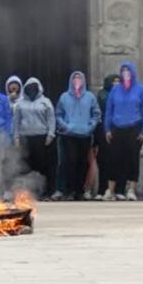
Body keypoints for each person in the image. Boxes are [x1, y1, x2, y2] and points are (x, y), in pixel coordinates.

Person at [102, 61, 143, 201]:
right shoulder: (115, 90)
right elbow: (109, 110)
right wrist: (107, 129)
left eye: (128, 71)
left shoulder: (141, 90)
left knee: (132, 159)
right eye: (123, 71)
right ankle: (110, 190)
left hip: (134, 127)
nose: (126, 74)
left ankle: (131, 189)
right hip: (117, 127)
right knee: (113, 159)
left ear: (133, 73)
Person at [54, 71, 100, 201]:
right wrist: (65, 126)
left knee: (83, 163)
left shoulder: (90, 97)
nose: (77, 80)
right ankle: (68, 190)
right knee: (70, 162)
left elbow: (96, 114)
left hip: (85, 134)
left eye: (80, 78)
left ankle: (80, 190)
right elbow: (58, 114)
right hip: (69, 135)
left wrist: (90, 127)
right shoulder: (64, 97)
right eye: (75, 78)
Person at [11, 76, 56, 198]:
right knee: (26, 166)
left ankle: (45, 192)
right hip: (25, 138)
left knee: (42, 165)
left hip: (42, 138)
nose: (31, 90)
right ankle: (27, 192)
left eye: (34, 88)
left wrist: (51, 134)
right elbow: (16, 121)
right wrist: (16, 137)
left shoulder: (45, 102)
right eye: (29, 88)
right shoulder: (20, 104)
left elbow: (51, 119)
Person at [88, 74, 119, 199]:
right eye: (114, 81)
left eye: (118, 81)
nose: (116, 84)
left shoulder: (123, 94)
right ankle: (101, 189)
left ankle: (115, 190)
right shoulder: (101, 94)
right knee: (103, 161)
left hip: (117, 130)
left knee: (116, 162)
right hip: (102, 131)